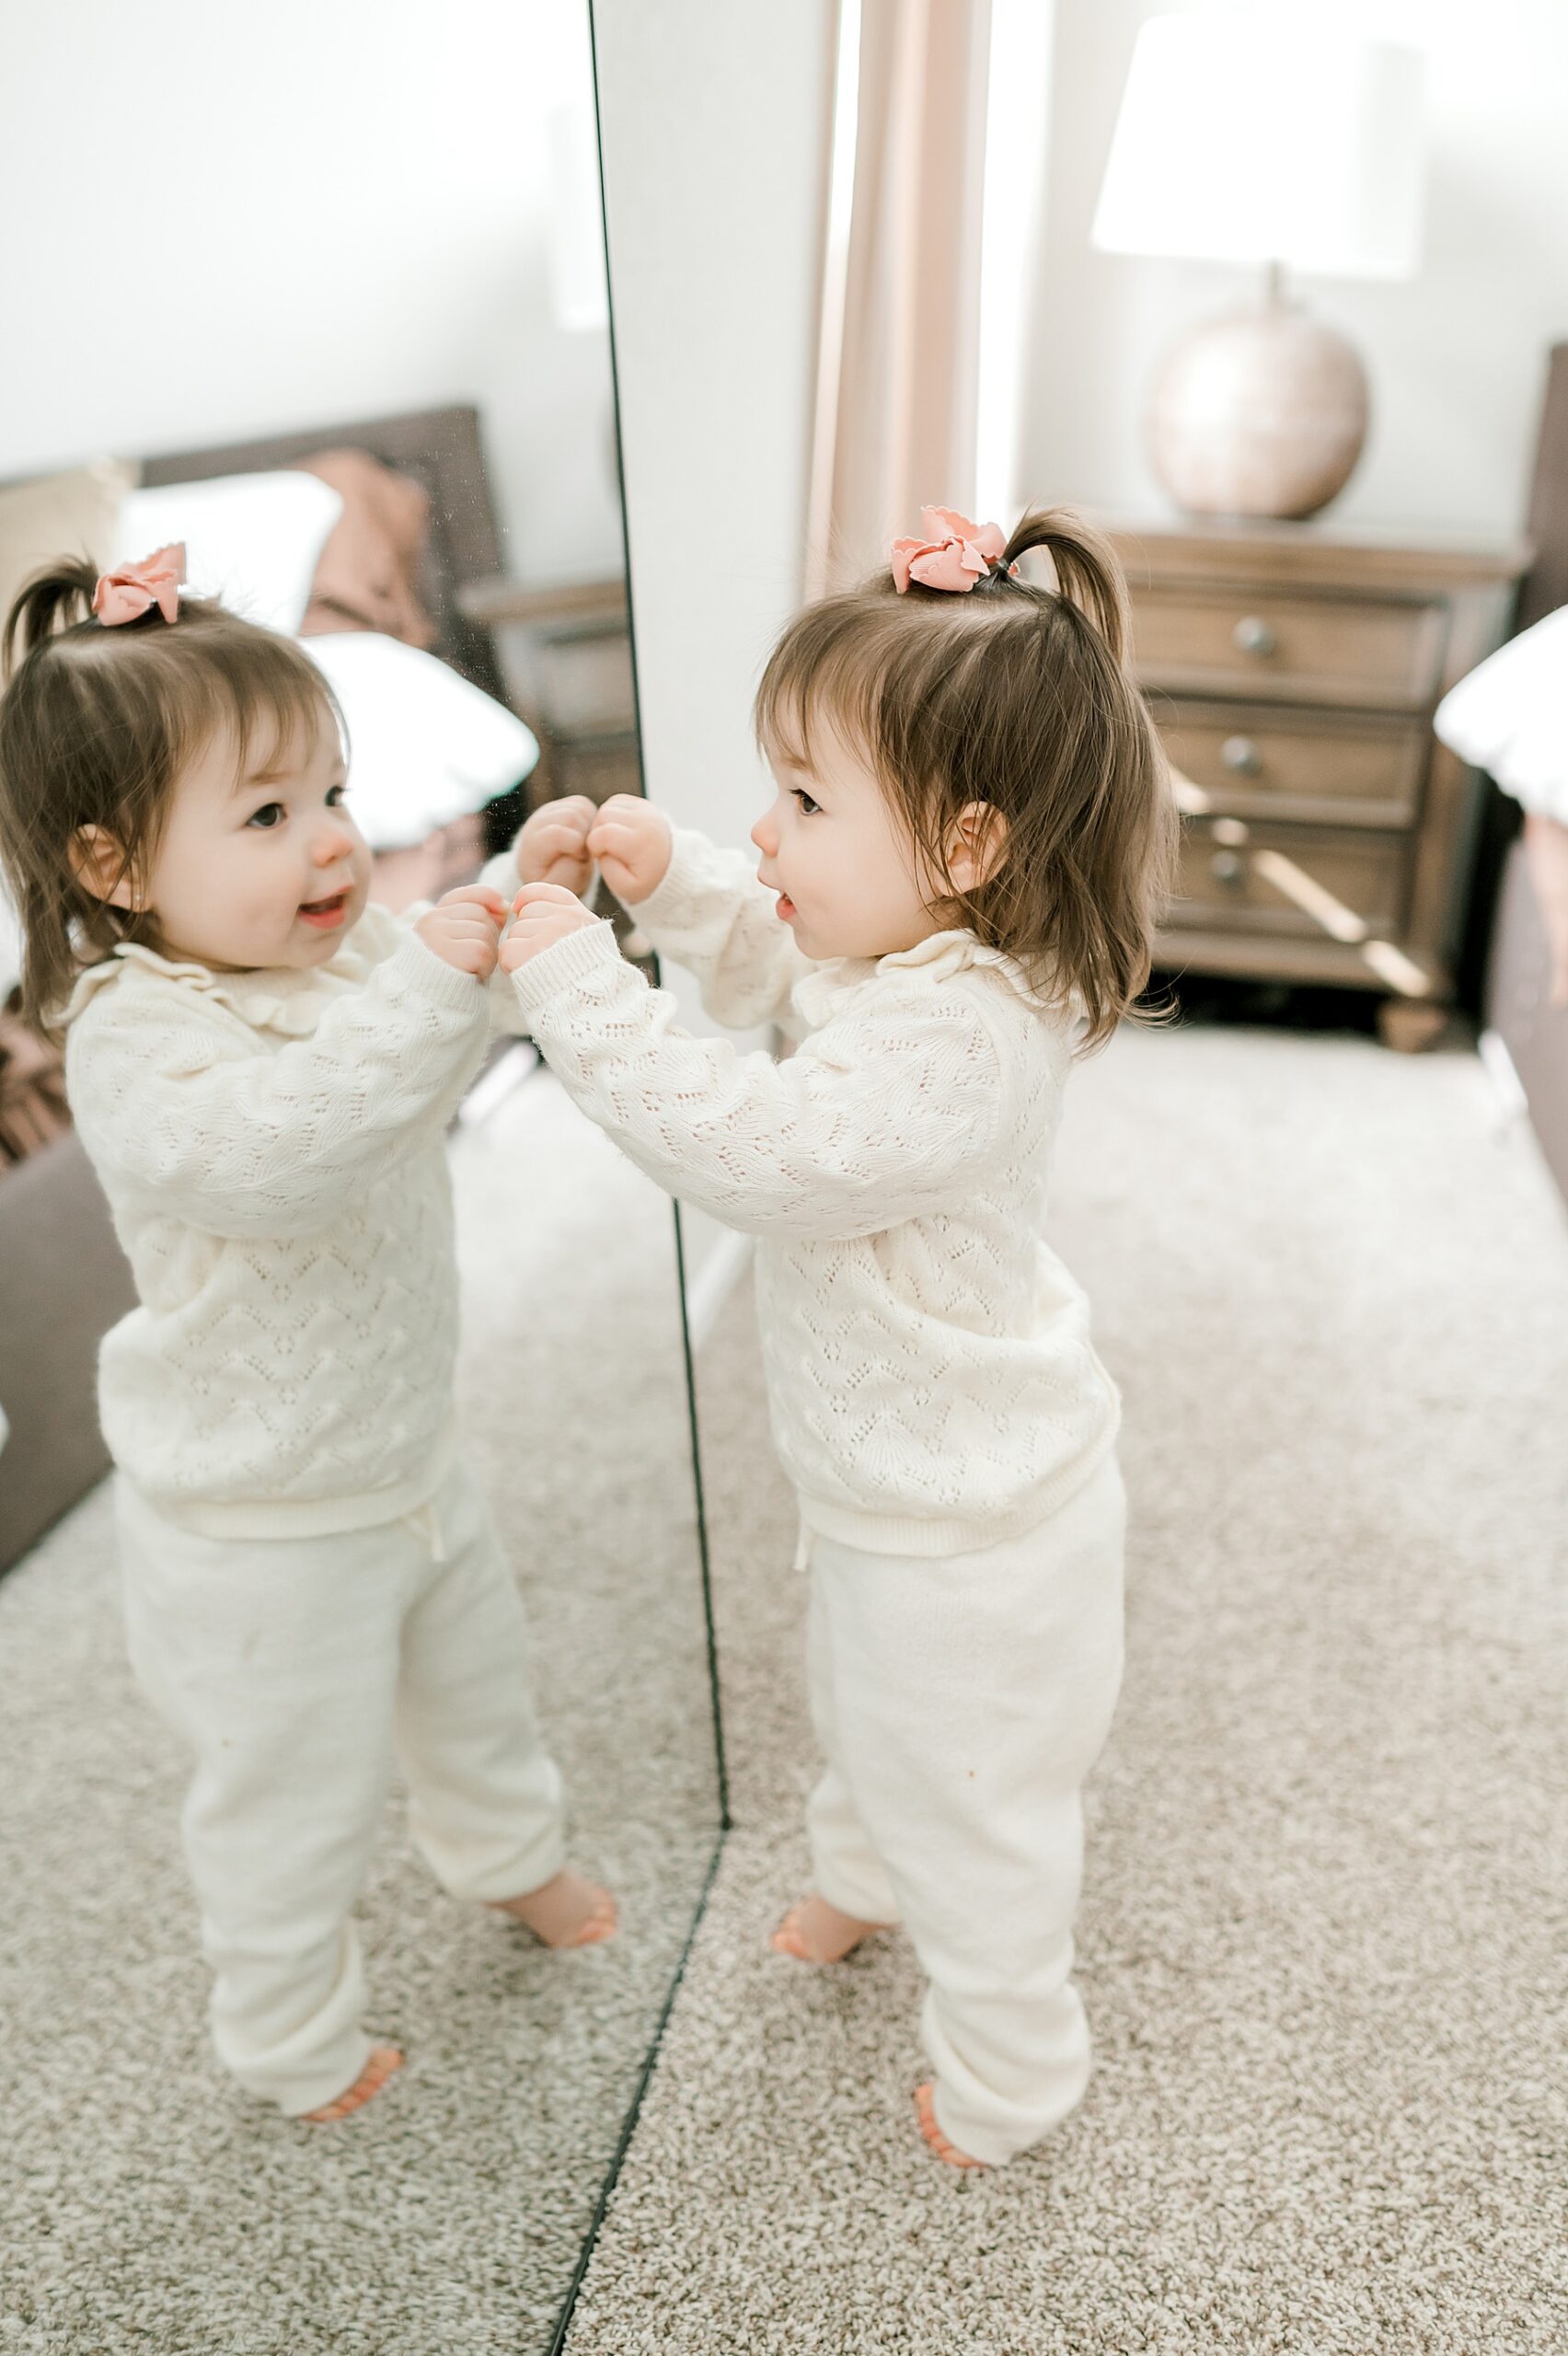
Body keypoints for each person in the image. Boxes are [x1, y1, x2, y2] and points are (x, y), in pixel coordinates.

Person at [498, 506, 1176, 2167]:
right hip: (895, 1489)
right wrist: (682, 887)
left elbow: (761, 1148)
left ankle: (1017, 2074)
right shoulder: (912, 955)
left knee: (982, 1813)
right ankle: (864, 1874)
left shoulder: (956, 1044)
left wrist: (576, 987)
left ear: (962, 844)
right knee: (865, 1711)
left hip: (979, 1536)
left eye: (803, 802)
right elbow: (796, 962)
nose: (766, 828)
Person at [0, 547, 614, 2124]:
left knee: (480, 1693)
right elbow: (287, 1156)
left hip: (404, 1451)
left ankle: (512, 1858)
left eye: (333, 792)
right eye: (268, 817)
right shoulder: (139, 1040)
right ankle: (289, 2037)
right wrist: (433, 988)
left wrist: (513, 902)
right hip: (260, 1522)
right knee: (291, 1799)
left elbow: (439, 996)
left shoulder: (337, 952)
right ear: (115, 863)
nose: (335, 843)